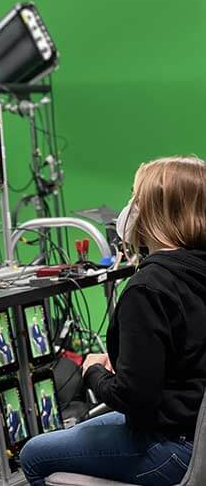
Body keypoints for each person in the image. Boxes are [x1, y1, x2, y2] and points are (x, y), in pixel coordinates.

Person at [20, 156, 206, 485]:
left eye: (137, 197)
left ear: (157, 212)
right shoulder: (193, 272)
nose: (131, 207)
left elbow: (135, 399)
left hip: (175, 448)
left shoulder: (149, 288)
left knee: (34, 455)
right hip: (196, 434)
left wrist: (93, 372)